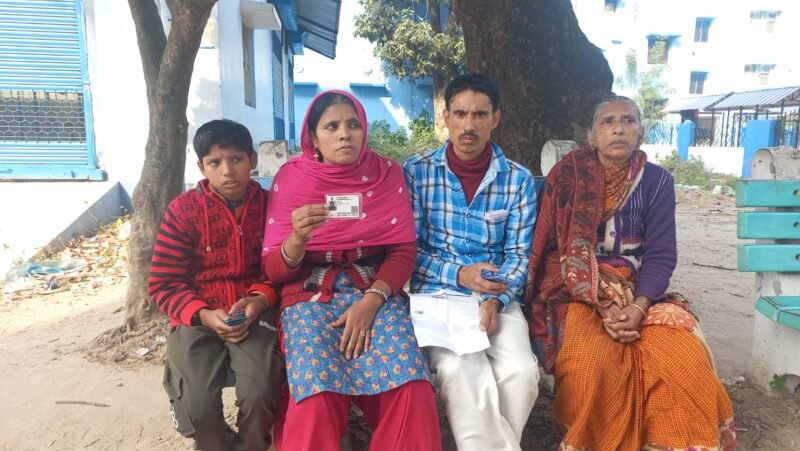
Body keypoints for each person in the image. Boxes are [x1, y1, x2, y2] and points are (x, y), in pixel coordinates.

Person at [525, 96, 737, 450]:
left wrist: (638, 307)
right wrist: (599, 298)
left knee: (681, 355)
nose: (618, 129)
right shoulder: (568, 176)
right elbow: (552, 250)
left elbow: (661, 255)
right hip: (574, 290)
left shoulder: (657, 181)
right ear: (591, 136)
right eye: (607, 122)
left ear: (641, 133)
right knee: (589, 364)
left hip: (639, 290)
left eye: (628, 121)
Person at [262, 90, 441, 450]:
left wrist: (372, 301)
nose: (345, 134)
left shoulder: (385, 174)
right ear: (314, 138)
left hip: (375, 290)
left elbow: (403, 250)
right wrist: (297, 239)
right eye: (332, 126)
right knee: (315, 392)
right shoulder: (292, 180)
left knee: (411, 386)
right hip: (309, 296)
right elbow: (275, 271)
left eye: (353, 125)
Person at [403, 73, 539, 451]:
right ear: (446, 116)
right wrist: (460, 274)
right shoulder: (417, 172)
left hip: (497, 297)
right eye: (460, 114)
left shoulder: (517, 180)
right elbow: (407, 252)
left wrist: (496, 298)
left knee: (521, 373)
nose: (469, 125)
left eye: (480, 115)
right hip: (438, 297)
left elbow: (519, 255)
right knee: (460, 371)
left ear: (495, 118)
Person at [149, 119, 283, 451]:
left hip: (253, 314)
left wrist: (259, 300)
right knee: (196, 405)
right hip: (197, 317)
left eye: (236, 159)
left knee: (261, 390)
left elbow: (280, 269)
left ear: (253, 160)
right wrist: (204, 314)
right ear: (201, 167)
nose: (227, 171)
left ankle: (252, 447)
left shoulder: (272, 207)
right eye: (215, 162)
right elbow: (164, 283)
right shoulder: (182, 211)